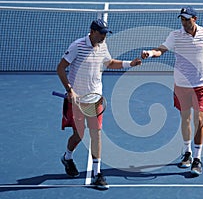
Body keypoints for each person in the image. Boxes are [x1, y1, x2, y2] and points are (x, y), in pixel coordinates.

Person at [56, 18, 142, 189]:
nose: (104, 36)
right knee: (79, 135)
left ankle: (97, 173)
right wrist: (70, 90)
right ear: (92, 32)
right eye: (101, 33)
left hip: (95, 100)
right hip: (77, 101)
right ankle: (67, 157)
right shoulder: (77, 46)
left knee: (96, 134)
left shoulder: (103, 46)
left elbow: (108, 63)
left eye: (105, 33)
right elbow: (60, 68)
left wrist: (129, 63)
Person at [141, 6, 203, 176]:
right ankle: (187, 153)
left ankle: (198, 158)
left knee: (199, 120)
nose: (184, 22)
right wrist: (150, 53)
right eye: (182, 19)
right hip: (181, 85)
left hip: (200, 84)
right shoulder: (175, 36)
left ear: (195, 18)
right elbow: (161, 50)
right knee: (185, 119)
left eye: (187, 19)